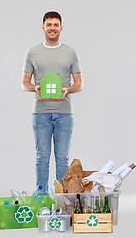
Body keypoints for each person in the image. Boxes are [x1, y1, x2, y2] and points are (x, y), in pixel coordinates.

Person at [22, 11, 83, 195]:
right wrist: (35, 88)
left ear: (61, 28)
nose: (52, 28)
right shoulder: (33, 52)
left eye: (56, 25)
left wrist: (67, 90)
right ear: (43, 27)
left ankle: (62, 198)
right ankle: (41, 197)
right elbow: (24, 83)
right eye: (49, 25)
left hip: (64, 113)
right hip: (40, 113)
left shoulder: (70, 53)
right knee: (42, 157)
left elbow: (79, 84)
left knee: (62, 158)